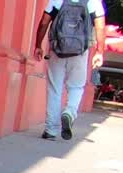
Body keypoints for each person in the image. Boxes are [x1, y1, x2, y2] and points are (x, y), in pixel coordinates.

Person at [34, 0, 106, 140]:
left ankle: (51, 130)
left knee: (55, 88)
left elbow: (44, 22)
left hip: (57, 49)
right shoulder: (93, 2)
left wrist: (38, 45)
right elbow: (100, 27)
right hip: (80, 52)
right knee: (77, 86)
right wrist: (99, 52)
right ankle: (69, 112)